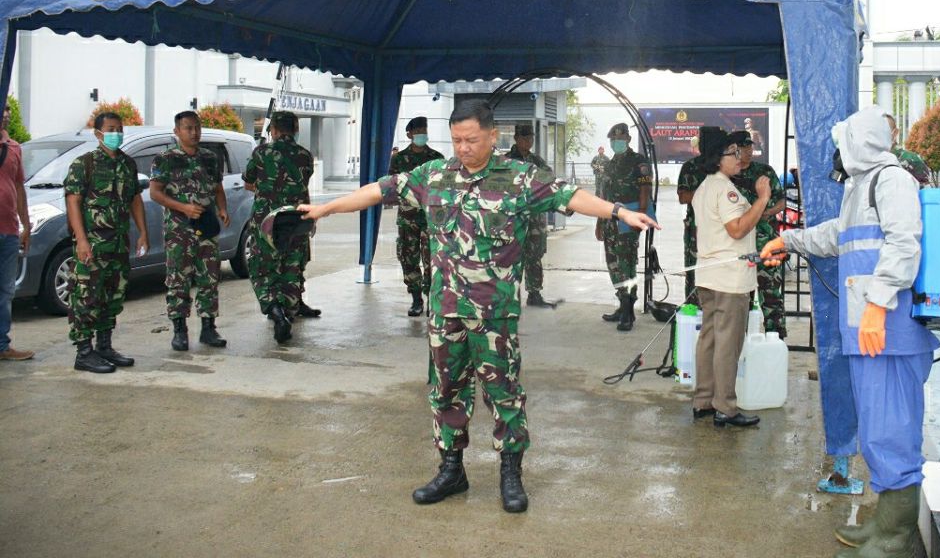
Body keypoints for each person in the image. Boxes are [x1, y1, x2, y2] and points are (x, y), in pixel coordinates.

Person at [299, 100, 658, 513]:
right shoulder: (433, 175)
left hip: (494, 315)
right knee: (446, 391)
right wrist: (325, 208)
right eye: (456, 140)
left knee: (504, 393)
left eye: (471, 139)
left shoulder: (519, 178)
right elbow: (380, 190)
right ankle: (452, 469)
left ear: (492, 136)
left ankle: (511, 474)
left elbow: (570, 196)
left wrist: (618, 212)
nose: (463, 147)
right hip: (445, 309)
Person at [762, 106, 937, 558]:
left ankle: (896, 537)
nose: (838, 149)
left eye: (844, 140)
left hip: (887, 326)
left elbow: (904, 243)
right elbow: (838, 236)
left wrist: (878, 305)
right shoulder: (860, 186)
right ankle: (885, 519)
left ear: (860, 141)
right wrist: (788, 240)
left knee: (892, 427)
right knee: (876, 426)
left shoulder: (892, 180)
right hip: (866, 325)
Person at [692, 133, 771, 427]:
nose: (740, 159)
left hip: (710, 276)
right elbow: (737, 229)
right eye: (733, 154)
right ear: (717, 158)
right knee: (728, 343)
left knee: (710, 339)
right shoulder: (725, 190)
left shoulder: (704, 187)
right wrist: (762, 199)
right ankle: (725, 405)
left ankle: (704, 400)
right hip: (729, 280)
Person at [62, 112, 150, 372]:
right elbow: (73, 202)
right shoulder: (84, 164)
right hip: (93, 245)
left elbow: (134, 199)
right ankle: (84, 352)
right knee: (86, 296)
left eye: (120, 129)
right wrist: (81, 240)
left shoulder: (127, 164)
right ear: (98, 133)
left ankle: (104, 346)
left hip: (118, 244)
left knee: (113, 295)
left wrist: (143, 232)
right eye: (111, 129)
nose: (117, 134)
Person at [150, 111, 229, 351]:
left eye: (197, 128)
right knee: (178, 279)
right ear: (177, 132)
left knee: (209, 277)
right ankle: (179, 330)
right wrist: (182, 207)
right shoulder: (165, 159)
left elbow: (217, 188)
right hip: (179, 230)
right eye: (188, 128)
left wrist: (223, 209)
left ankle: (208, 328)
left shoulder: (210, 157)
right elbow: (155, 193)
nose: (194, 133)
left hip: (206, 228)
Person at [243, 111, 317, 343]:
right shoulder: (305, 156)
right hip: (296, 219)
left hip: (267, 222)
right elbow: (302, 184)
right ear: (295, 129)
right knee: (292, 266)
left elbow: (248, 181)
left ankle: (275, 311)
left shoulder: (261, 153)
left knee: (263, 268)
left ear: (273, 130)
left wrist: (267, 192)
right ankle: (290, 309)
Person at [729, 130, 787, 338]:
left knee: (771, 292)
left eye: (750, 146)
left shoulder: (765, 172)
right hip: (739, 245)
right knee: (740, 295)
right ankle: (738, 340)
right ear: (734, 150)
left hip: (767, 244)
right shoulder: (727, 176)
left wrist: (764, 213)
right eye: (743, 147)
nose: (748, 150)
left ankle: (776, 336)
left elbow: (782, 201)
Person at [596, 122, 652, 331]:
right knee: (613, 265)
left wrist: (641, 217)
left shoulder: (639, 162)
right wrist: (599, 222)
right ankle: (622, 303)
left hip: (629, 221)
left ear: (628, 139)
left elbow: (645, 190)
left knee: (627, 264)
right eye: (613, 140)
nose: (616, 143)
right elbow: (602, 197)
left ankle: (629, 310)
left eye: (620, 140)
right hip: (609, 222)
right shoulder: (610, 164)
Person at [389, 116, 445, 316]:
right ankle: (415, 299)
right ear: (409, 134)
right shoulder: (399, 159)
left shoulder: (437, 158)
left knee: (432, 259)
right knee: (408, 258)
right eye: (418, 130)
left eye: (425, 130)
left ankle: (432, 299)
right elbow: (392, 185)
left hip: (431, 218)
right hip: (408, 218)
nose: (422, 134)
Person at [505, 123, 553, 308]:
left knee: (535, 255)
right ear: (516, 138)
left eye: (531, 138)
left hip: (535, 218)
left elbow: (548, 180)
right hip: (513, 218)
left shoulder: (537, 161)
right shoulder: (506, 161)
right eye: (525, 138)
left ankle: (535, 294)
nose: (529, 141)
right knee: (511, 257)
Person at [677, 126, 725, 305]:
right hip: (696, 230)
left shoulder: (726, 166)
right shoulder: (690, 167)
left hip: (724, 230)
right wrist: (710, 193)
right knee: (694, 273)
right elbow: (683, 197)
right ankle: (694, 315)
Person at [0, 105, 34, 361]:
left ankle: (2, 345)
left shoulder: (14, 147)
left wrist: (26, 223)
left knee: (6, 290)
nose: (6, 115)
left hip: (9, 229)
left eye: (9, 111)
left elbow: (19, 187)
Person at [884, 114, 932, 188]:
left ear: (895, 132)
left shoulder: (912, 160)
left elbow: (925, 192)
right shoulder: (871, 160)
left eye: (884, 131)